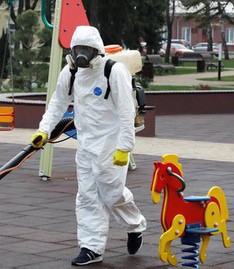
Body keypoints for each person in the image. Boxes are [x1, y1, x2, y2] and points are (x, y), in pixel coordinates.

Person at [30, 25, 147, 266]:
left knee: (112, 193)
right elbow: (57, 103)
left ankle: (135, 225)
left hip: (111, 144)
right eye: (77, 49)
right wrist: (43, 130)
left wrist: (125, 147)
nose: (81, 54)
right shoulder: (70, 73)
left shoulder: (113, 71)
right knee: (87, 197)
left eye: (86, 49)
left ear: (96, 50)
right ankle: (91, 248)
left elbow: (127, 111)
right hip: (85, 144)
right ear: (72, 50)